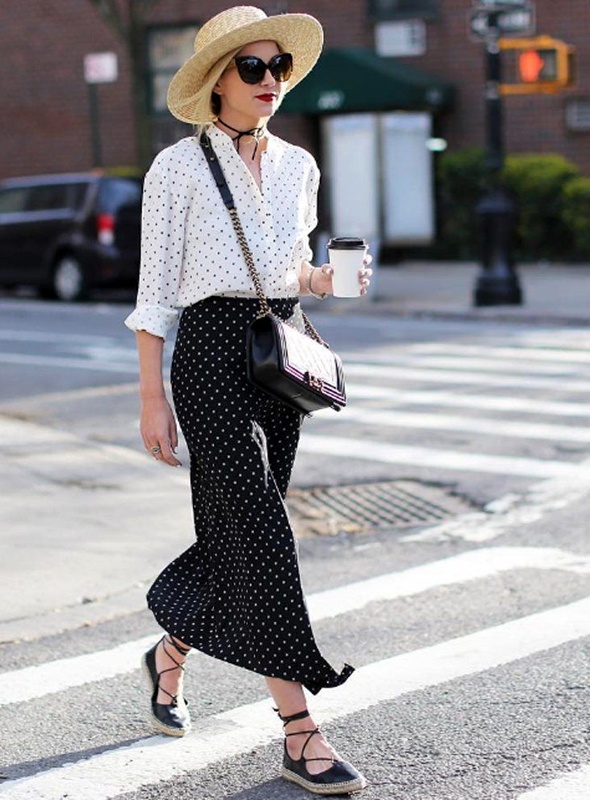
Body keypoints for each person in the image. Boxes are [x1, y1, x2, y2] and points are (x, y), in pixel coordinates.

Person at [125, 6, 371, 795]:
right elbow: (157, 291)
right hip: (205, 354)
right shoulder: (176, 169)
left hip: (279, 351)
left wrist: (325, 279)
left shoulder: (300, 165)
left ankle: (169, 656)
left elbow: (290, 265)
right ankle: (301, 732)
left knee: (245, 525)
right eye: (253, 69)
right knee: (260, 526)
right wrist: (151, 397)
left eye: (279, 69)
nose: (271, 82)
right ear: (219, 83)